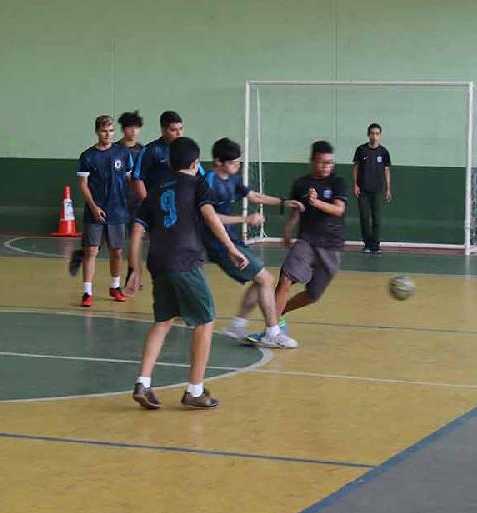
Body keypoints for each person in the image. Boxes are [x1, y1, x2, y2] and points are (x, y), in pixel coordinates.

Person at [124, 137, 248, 411]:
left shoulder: (155, 191)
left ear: (169, 164)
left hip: (158, 261)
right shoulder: (197, 183)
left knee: (163, 321)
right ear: (195, 163)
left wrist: (134, 269)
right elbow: (210, 216)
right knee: (205, 321)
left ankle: (142, 383)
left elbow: (136, 230)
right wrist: (231, 248)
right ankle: (195, 390)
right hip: (185, 260)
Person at [204, 138, 301, 348]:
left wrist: (283, 202)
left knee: (261, 280)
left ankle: (237, 326)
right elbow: (210, 217)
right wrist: (246, 219)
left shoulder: (233, 178)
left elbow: (254, 196)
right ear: (219, 162)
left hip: (232, 239)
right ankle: (272, 333)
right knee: (266, 279)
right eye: (233, 162)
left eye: (239, 161)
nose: (238, 165)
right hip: (218, 244)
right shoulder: (209, 182)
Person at [256, 140, 347, 347]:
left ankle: (281, 314)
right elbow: (296, 210)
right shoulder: (301, 184)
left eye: (330, 163)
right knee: (285, 279)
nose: (327, 167)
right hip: (306, 241)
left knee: (313, 295)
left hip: (331, 246)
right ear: (312, 160)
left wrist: (317, 203)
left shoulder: (337, 182)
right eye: (322, 162)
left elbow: (339, 210)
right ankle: (272, 331)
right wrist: (288, 230)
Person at [67, 115, 133, 307]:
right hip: (95, 211)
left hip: (118, 211)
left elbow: (130, 179)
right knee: (91, 250)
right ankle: (87, 292)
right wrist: (94, 207)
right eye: (104, 131)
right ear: (97, 132)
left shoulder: (122, 153)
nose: (108, 134)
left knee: (117, 251)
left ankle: (115, 286)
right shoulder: (88, 156)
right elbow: (83, 184)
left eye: (111, 131)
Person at [352, 123, 392, 254]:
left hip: (378, 189)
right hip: (363, 189)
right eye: (372, 133)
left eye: (377, 134)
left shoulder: (384, 152)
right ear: (368, 134)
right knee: (364, 217)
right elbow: (356, 167)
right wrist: (355, 184)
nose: (374, 136)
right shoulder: (361, 150)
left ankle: (375, 245)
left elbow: (387, 170)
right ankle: (367, 244)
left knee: (377, 218)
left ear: (380, 135)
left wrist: (388, 189)